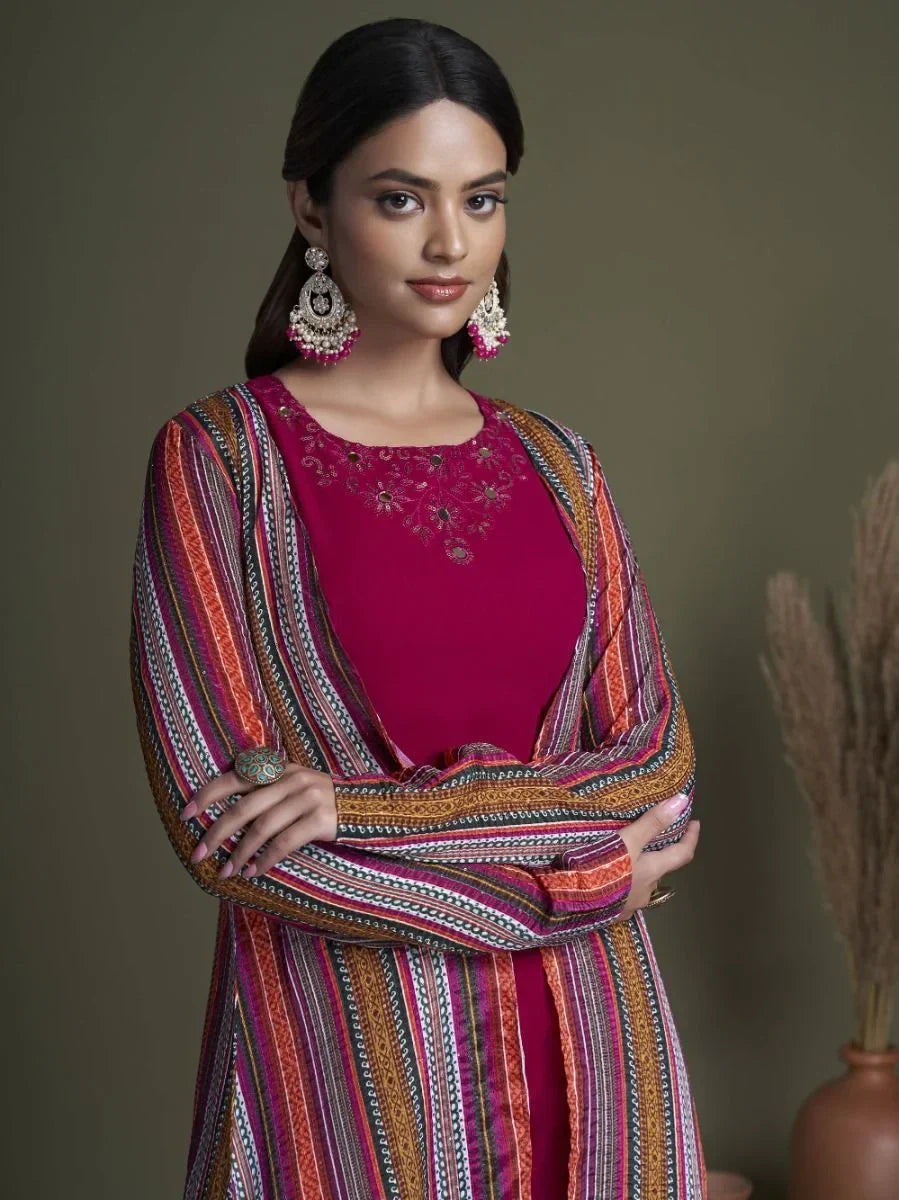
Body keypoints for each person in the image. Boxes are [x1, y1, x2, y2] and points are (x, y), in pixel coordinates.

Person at [129, 17, 706, 1199]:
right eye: (401, 199)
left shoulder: (561, 466)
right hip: (352, 1076)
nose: (451, 242)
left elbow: (655, 765)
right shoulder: (220, 464)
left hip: (600, 1056)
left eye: (482, 199)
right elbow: (230, 836)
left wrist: (350, 809)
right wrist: (583, 884)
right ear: (310, 208)